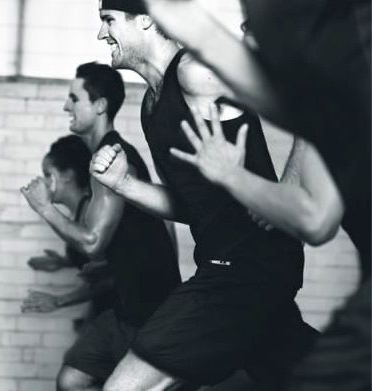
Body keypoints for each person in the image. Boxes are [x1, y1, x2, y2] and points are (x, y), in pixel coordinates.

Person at [141, 1, 371, 389]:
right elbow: (214, 42)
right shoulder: (331, 90)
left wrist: (232, 176)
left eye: (255, 34)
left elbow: (316, 221)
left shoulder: (346, 89)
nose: (246, 44)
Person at [91, 1, 316, 389]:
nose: (101, 34)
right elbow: (194, 208)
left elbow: (319, 104)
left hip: (247, 269)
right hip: (233, 267)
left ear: (145, 19)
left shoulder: (198, 74)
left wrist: (287, 189)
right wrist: (124, 185)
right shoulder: (151, 106)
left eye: (108, 21)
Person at [21, 61, 181, 391]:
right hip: (123, 310)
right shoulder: (99, 159)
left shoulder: (112, 159)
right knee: (72, 379)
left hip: (150, 314)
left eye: (74, 98)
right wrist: (66, 261)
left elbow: (92, 241)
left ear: (100, 105)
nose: (66, 105)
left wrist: (44, 208)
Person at [20, 135, 116, 322]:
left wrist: (59, 301)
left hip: (122, 315)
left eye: (48, 174)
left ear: (67, 176)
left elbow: (110, 276)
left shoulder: (91, 211)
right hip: (104, 312)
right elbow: (99, 260)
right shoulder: (78, 214)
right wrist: (64, 261)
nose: (44, 181)